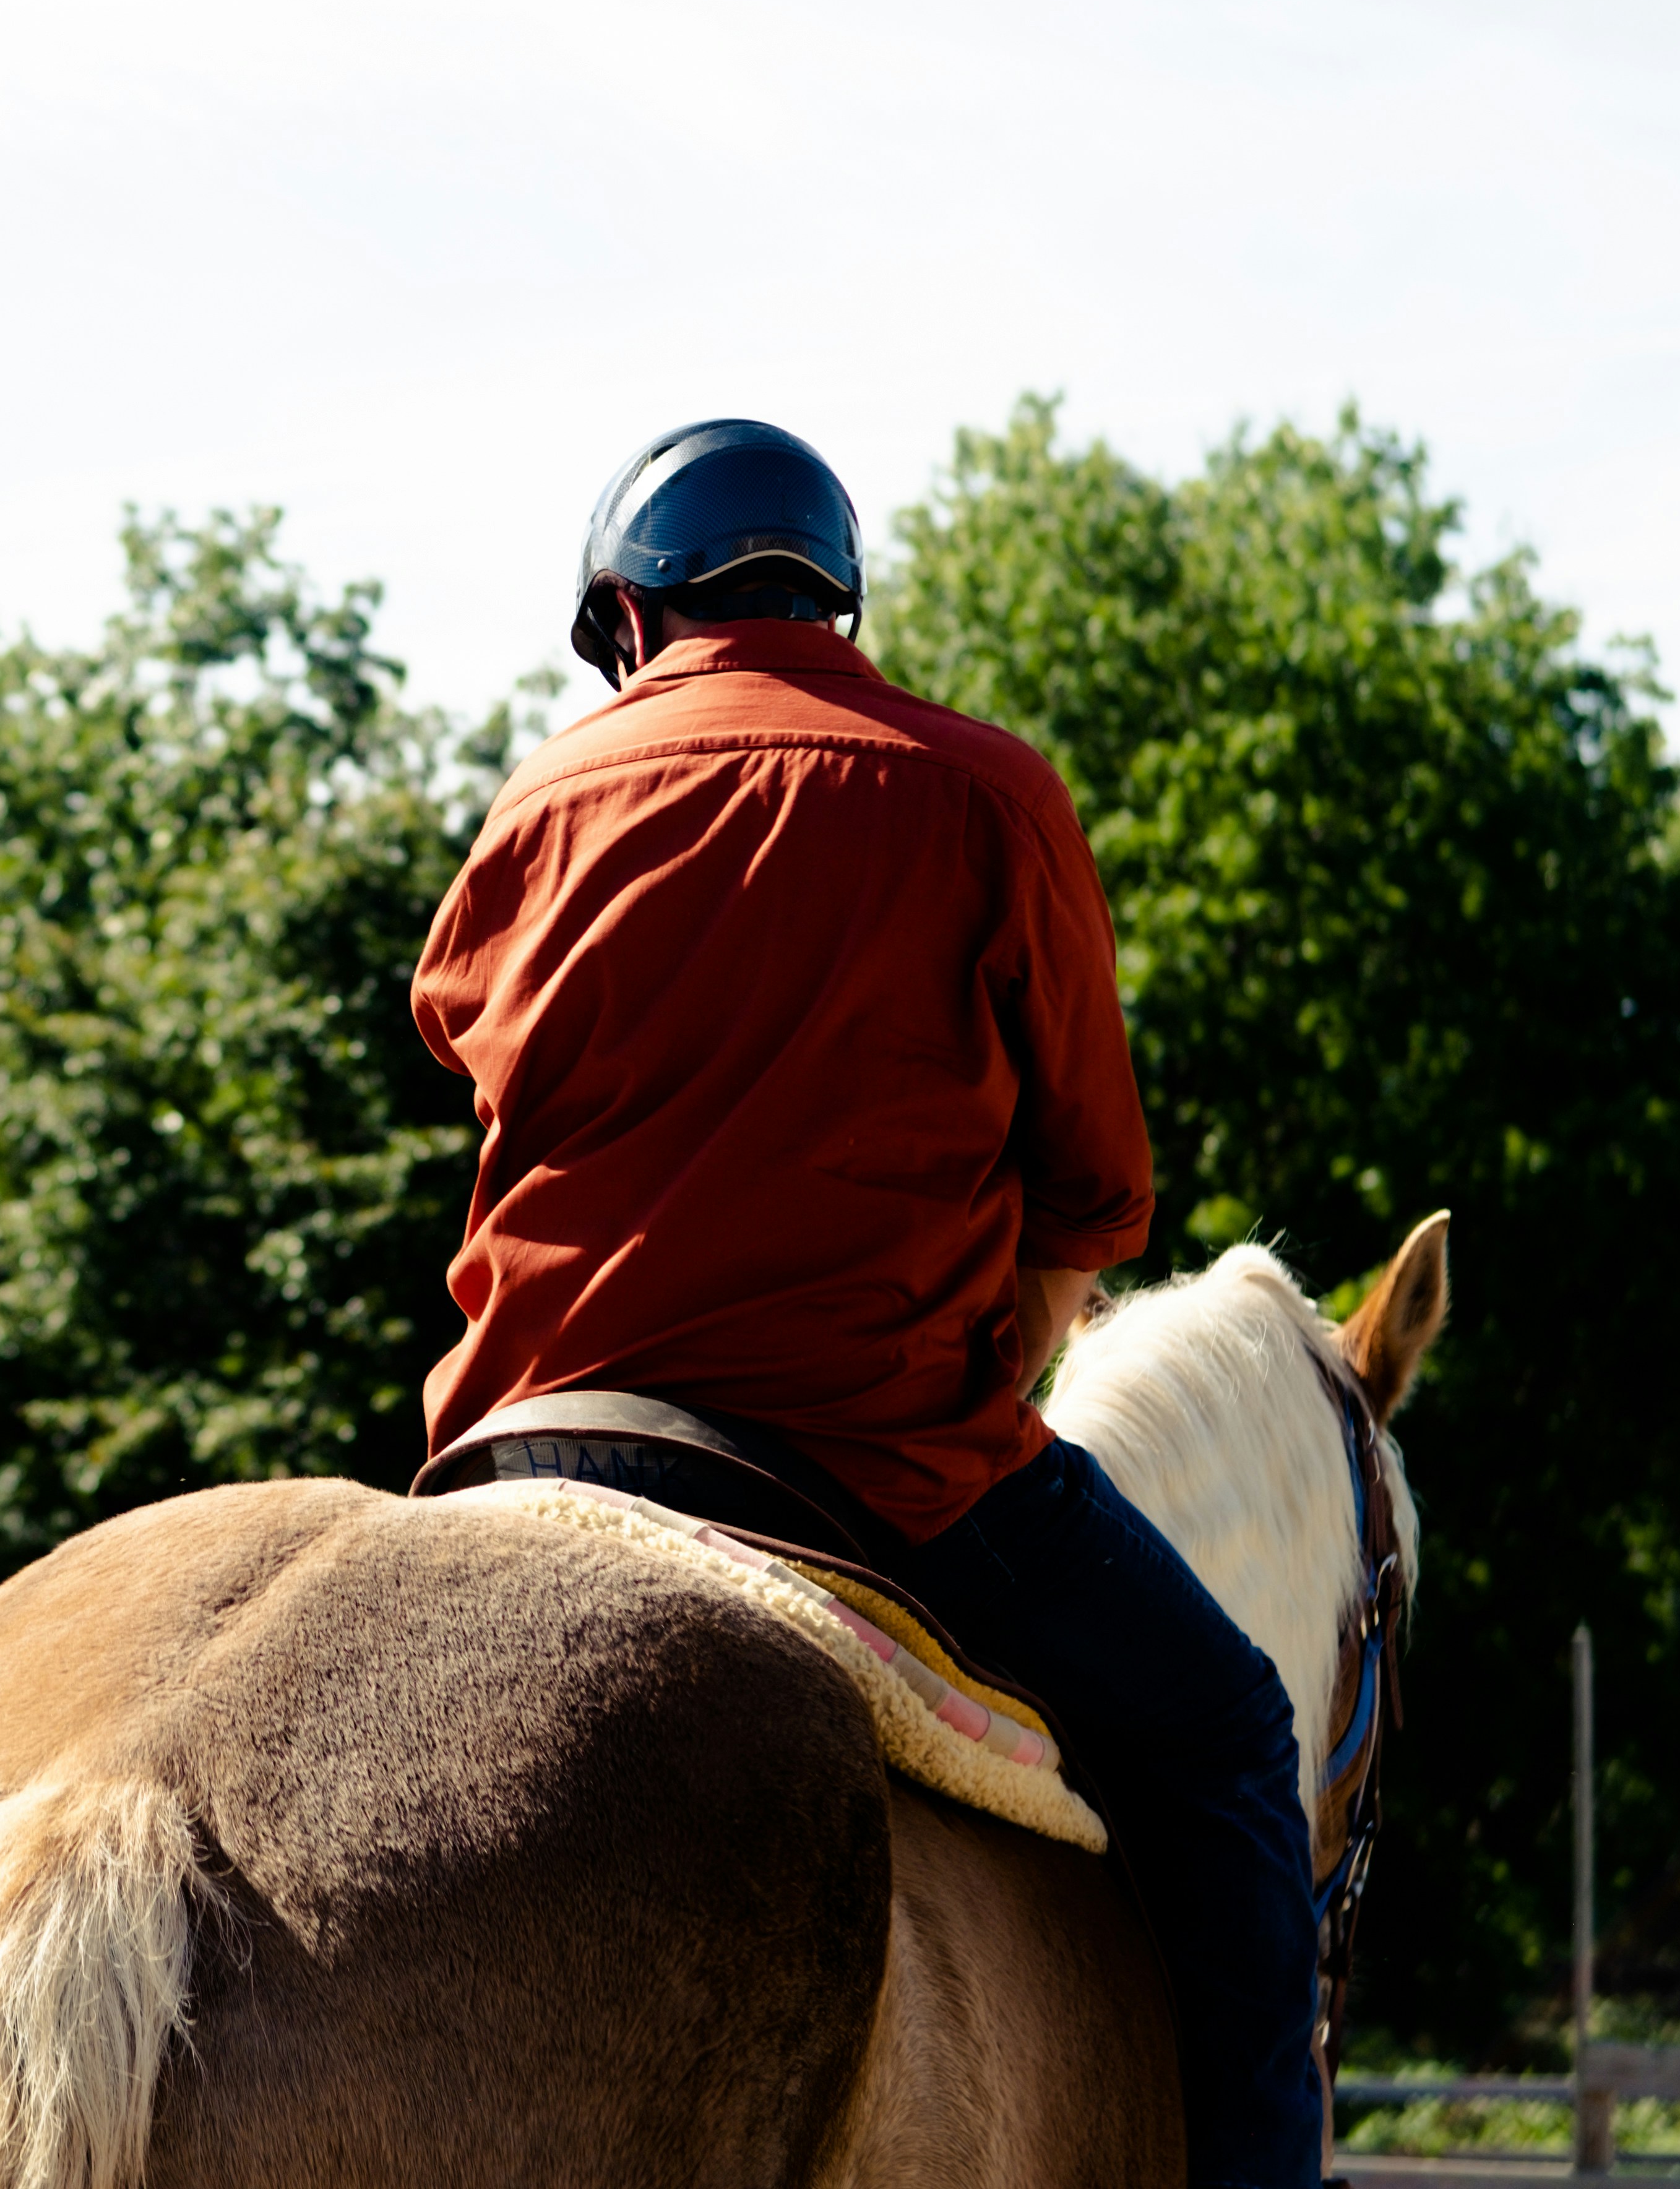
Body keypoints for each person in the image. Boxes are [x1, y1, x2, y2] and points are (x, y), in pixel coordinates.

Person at [410, 421, 1319, 2189]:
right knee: (1226, 1737)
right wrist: (1012, 1343)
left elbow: (465, 1038)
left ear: (627, 612)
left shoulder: (536, 802)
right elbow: (1094, 1206)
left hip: (528, 1447)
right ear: (836, 594)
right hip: (870, 1462)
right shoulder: (981, 790)